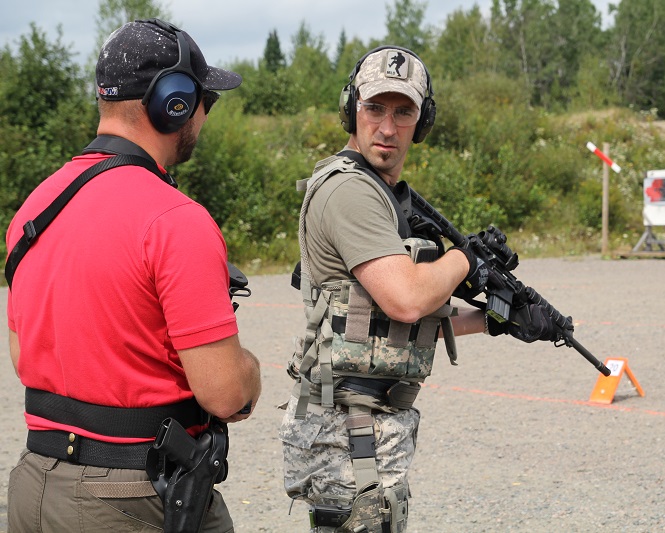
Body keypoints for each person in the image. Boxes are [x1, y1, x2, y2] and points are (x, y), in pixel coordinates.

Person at [279, 46, 558, 533]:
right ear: (352, 109)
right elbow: (407, 297)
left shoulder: (378, 191)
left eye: (403, 111)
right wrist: (465, 257)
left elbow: (390, 323)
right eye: (375, 108)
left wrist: (498, 321)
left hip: (366, 426)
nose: (387, 127)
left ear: (421, 121)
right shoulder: (350, 191)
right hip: (348, 433)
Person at [4, 18, 261, 532]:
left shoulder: (35, 208)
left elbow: (24, 353)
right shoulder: (175, 220)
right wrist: (248, 368)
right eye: (205, 100)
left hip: (34, 484)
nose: (205, 116)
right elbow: (226, 395)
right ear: (175, 103)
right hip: (128, 495)